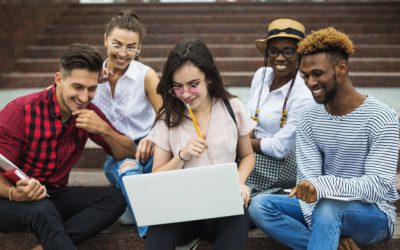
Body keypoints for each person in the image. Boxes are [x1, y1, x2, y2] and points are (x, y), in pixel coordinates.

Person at [249, 27, 400, 249]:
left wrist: (321, 187)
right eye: (305, 76)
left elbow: (378, 186)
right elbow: (307, 180)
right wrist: (325, 226)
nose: (310, 83)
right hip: (320, 208)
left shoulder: (382, 117)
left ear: (342, 68)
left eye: (317, 74)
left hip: (373, 214)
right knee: (260, 205)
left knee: (328, 207)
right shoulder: (309, 116)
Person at [0, 43, 135, 250]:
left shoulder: (89, 112)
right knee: (42, 210)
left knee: (115, 198)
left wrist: (104, 130)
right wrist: (14, 194)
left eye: (92, 89)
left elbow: (128, 152)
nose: (84, 97)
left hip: (50, 194)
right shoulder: (21, 111)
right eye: (78, 87)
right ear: (59, 80)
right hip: (9, 198)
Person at [144, 39, 256, 250]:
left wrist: (239, 182)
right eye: (177, 87)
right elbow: (156, 175)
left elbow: (248, 156)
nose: (185, 94)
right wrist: (182, 156)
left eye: (193, 84)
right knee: (158, 231)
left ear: (209, 79)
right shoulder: (168, 118)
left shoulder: (232, 108)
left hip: (222, 207)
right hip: (181, 209)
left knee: (239, 215)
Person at [92, 10, 162, 231]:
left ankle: (137, 213)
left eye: (131, 47)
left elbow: (166, 114)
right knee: (122, 168)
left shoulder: (146, 75)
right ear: (105, 40)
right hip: (116, 151)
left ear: (139, 48)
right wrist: (92, 81)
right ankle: (150, 224)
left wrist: (153, 137)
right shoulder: (91, 74)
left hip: (146, 148)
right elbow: (59, 93)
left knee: (131, 171)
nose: (123, 53)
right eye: (117, 44)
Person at [246, 18, 313, 196]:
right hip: (253, 150)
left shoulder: (303, 94)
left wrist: (243, 143)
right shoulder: (261, 75)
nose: (279, 58)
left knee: (233, 167)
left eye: (288, 52)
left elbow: (281, 148)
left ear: (300, 54)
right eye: (273, 51)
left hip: (284, 163)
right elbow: (247, 118)